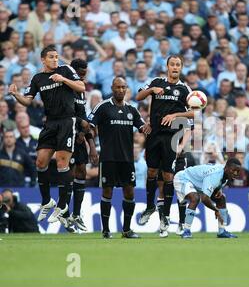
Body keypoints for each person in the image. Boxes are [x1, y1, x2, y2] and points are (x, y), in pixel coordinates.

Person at [8, 45, 85, 225]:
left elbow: (81, 87)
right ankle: (46, 201)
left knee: (61, 163)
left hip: (67, 121)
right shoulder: (38, 78)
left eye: (57, 56)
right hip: (50, 122)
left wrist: (64, 79)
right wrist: (15, 94)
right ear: (43, 59)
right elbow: (27, 100)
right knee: (40, 162)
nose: (55, 60)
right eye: (51, 57)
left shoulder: (65, 70)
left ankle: (63, 204)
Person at [135, 55, 195, 237]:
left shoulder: (184, 89)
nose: (175, 67)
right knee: (151, 172)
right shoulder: (156, 82)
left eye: (178, 65)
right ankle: (149, 206)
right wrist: (152, 89)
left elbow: (194, 113)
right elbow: (138, 96)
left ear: (181, 68)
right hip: (153, 135)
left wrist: (175, 116)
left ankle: (166, 217)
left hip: (171, 137)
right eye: (172, 64)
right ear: (167, 67)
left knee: (168, 175)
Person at [88, 77, 150, 239]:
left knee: (129, 192)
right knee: (107, 191)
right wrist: (92, 149)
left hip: (127, 159)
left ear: (127, 88)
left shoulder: (132, 110)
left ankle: (127, 230)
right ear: (112, 87)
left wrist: (151, 126)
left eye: (123, 87)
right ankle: (106, 230)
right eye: (118, 87)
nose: (121, 90)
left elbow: (143, 128)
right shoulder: (103, 107)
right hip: (108, 157)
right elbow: (89, 127)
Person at [66, 59, 99, 232]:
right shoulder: (66, 89)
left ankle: (76, 215)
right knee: (67, 174)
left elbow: (83, 116)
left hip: (79, 137)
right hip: (65, 136)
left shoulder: (81, 92)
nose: (82, 77)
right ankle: (64, 212)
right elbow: (64, 114)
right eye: (79, 74)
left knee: (82, 171)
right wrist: (80, 127)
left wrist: (91, 145)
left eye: (84, 74)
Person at [173, 158, 241, 239]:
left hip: (197, 183)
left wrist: (219, 190)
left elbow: (215, 184)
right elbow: (204, 199)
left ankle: (222, 231)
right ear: (226, 168)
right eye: (233, 170)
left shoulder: (225, 174)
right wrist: (216, 210)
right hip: (183, 178)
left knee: (221, 198)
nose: (235, 173)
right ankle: (186, 231)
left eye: (238, 171)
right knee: (195, 198)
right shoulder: (215, 175)